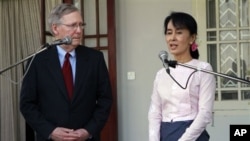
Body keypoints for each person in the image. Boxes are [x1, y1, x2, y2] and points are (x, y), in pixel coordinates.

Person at [20, 3, 112, 141]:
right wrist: (50, 131)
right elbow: (27, 104)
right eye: (73, 25)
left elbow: (105, 99)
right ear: (55, 28)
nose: (79, 30)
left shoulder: (95, 58)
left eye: (81, 25)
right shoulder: (37, 61)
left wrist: (88, 131)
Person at [148, 12, 216, 141]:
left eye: (179, 32)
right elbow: (155, 113)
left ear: (192, 38)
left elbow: (205, 113)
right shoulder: (161, 74)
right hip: (165, 133)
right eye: (169, 32)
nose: (172, 38)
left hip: (192, 134)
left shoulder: (203, 69)